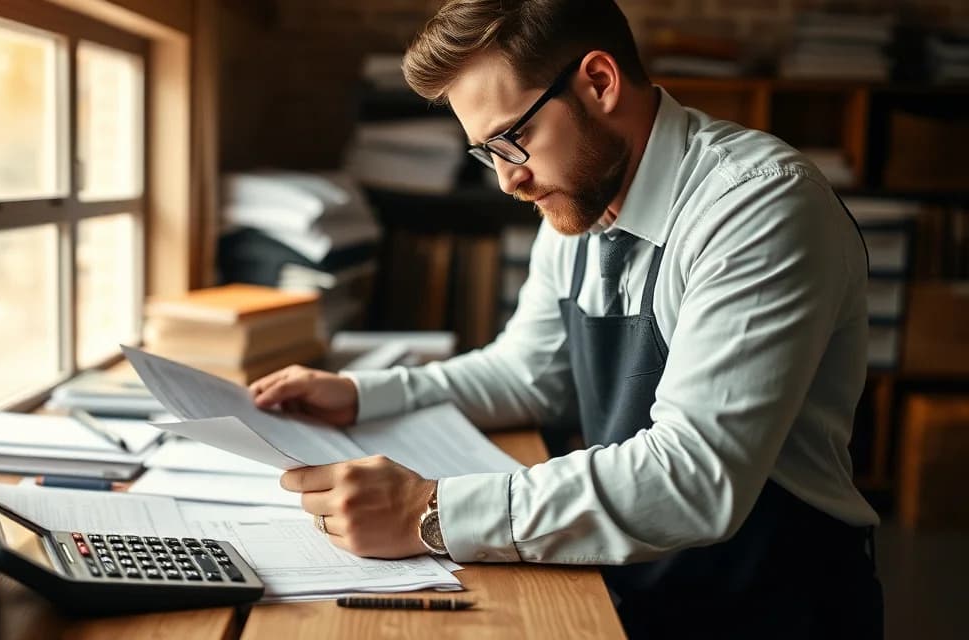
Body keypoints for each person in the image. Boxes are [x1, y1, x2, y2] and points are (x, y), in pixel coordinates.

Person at [248, 0, 883, 636]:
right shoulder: (584, 193)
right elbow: (532, 373)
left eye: (511, 139)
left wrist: (430, 510)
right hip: (642, 583)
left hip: (768, 606)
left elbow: (694, 477)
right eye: (486, 152)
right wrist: (361, 395)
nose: (506, 180)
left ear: (600, 82)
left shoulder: (758, 206)